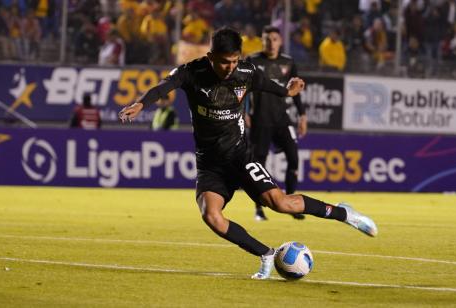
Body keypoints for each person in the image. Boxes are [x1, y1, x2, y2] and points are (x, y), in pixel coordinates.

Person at [119, 27, 377, 280]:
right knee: (211, 216)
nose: (229, 67)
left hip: (240, 156)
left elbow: (269, 85)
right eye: (223, 62)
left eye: (233, 61)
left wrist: (288, 91)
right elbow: (164, 86)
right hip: (209, 163)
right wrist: (141, 103)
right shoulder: (192, 72)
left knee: (280, 204)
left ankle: (345, 213)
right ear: (210, 57)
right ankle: (265, 254)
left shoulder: (246, 72)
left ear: (240, 57)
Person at [246, 26, 307, 221]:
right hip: (260, 120)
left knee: (294, 159)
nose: (271, 43)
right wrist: (244, 112)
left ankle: (292, 205)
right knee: (258, 165)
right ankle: (259, 209)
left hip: (282, 119)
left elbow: (295, 90)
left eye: (274, 39)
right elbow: (243, 89)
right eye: (267, 39)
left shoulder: (288, 62)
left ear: (280, 41)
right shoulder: (253, 61)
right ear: (262, 41)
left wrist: (302, 115)